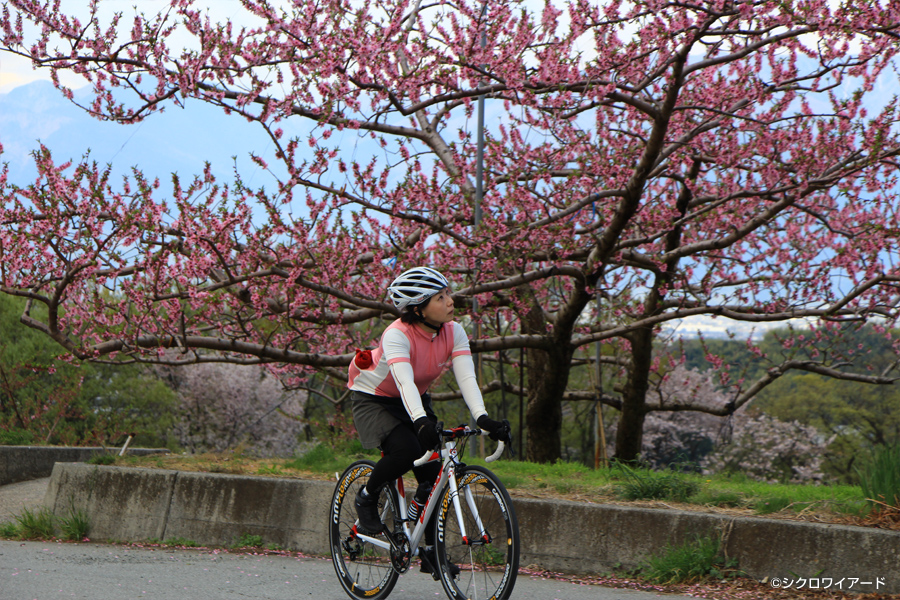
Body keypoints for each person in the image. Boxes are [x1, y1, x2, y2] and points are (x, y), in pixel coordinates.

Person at [347, 266, 510, 578]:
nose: (451, 300)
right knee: (406, 450)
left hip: (412, 399)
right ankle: (366, 497)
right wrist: (420, 423)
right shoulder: (397, 334)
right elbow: (404, 383)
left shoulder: (454, 331)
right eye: (440, 296)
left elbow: (467, 378)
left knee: (434, 474)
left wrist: (484, 419)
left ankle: (430, 552)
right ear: (419, 308)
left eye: (448, 293)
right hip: (375, 397)